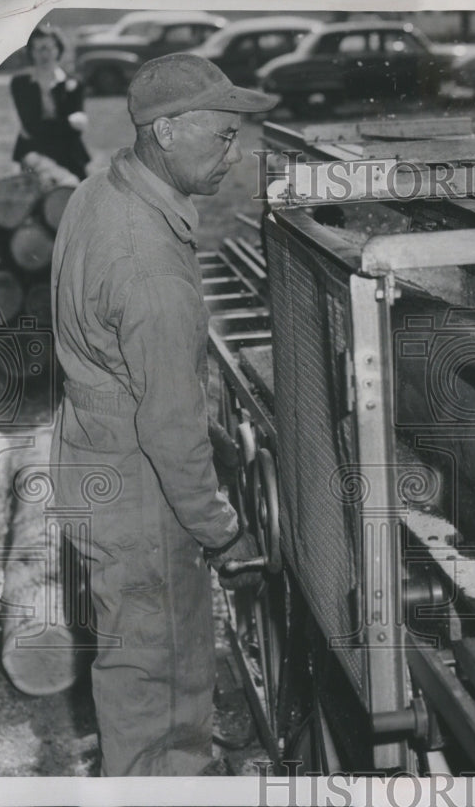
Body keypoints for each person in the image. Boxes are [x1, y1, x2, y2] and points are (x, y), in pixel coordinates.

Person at [49, 53, 279, 776]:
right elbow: (168, 427)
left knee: (137, 658)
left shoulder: (100, 191)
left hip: (94, 457)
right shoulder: (146, 261)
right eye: (222, 136)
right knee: (161, 674)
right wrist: (224, 529)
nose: (233, 152)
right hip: (142, 493)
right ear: (168, 130)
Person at [11, 24, 91, 184]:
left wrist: (45, 126)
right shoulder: (20, 83)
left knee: (80, 198)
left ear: (58, 48)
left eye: (48, 47)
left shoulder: (74, 83)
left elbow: (77, 130)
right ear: (31, 52)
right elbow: (31, 126)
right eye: (38, 48)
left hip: (70, 153)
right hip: (34, 153)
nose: (44, 54)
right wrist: (68, 123)